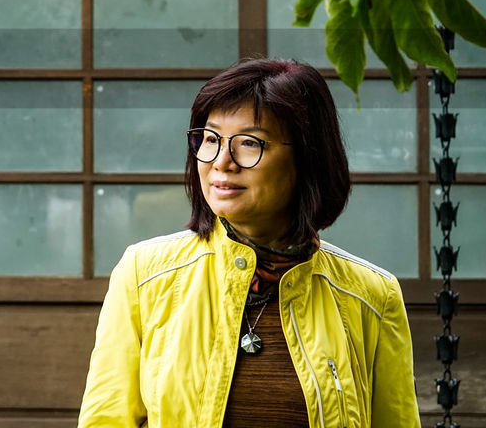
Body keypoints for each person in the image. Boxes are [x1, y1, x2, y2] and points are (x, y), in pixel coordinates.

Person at [78, 58, 421, 428]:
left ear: (307, 158)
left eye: (249, 143)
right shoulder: (146, 274)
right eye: (210, 139)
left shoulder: (370, 296)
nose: (222, 161)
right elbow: (105, 420)